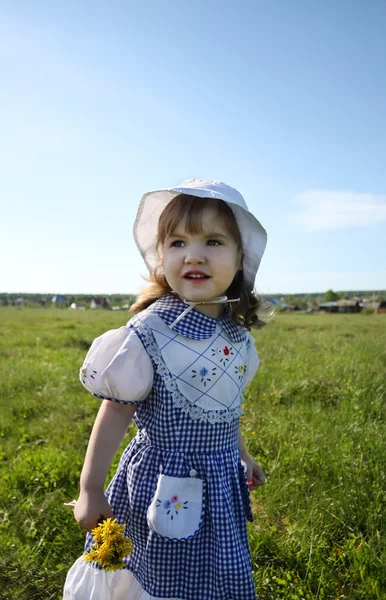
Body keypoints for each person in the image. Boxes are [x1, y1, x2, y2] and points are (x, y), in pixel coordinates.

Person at [63, 178, 268, 600]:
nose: (193, 254)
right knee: (158, 570)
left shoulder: (236, 337)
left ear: (240, 258)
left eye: (213, 241)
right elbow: (115, 411)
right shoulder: (149, 333)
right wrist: (90, 489)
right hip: (159, 482)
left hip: (219, 480)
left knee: (215, 571)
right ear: (161, 257)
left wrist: (243, 456)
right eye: (177, 243)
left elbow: (225, 410)